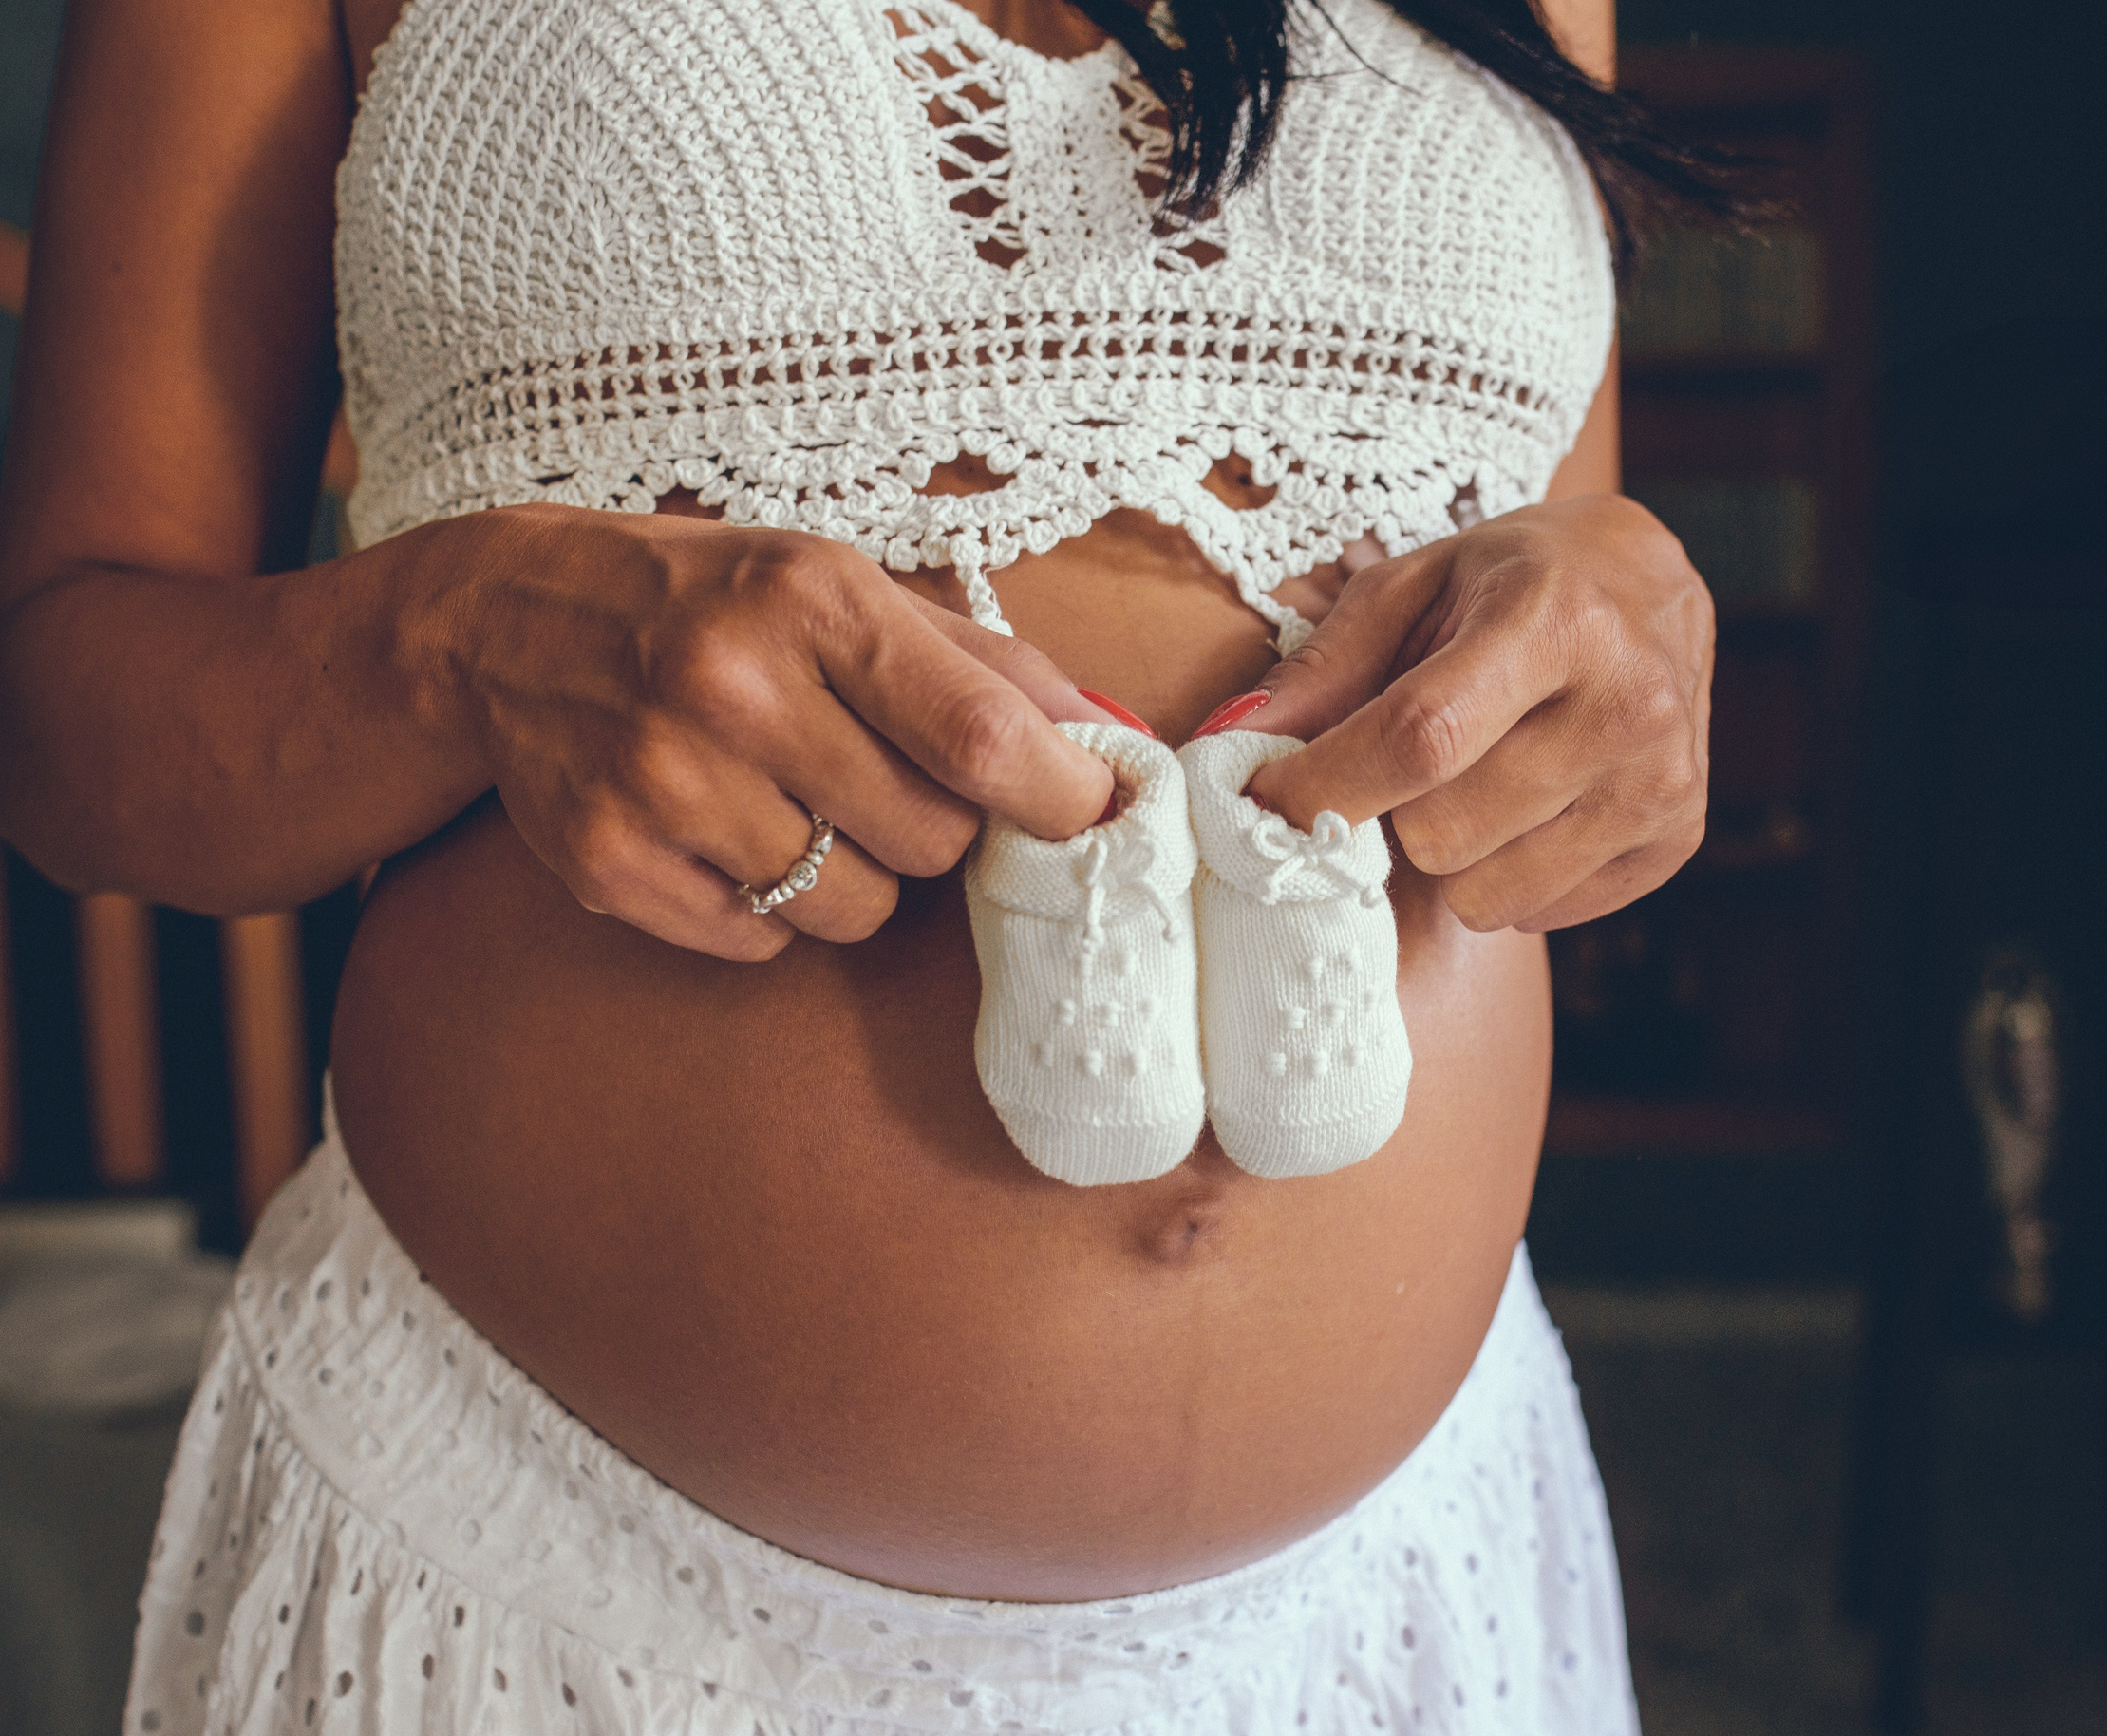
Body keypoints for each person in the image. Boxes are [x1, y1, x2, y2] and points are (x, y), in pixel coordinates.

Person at [0, 0, 1719, 1725]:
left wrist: (1633, 616)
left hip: (1386, 1601)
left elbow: (1554, 556)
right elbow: (61, 714)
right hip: (549, 1593)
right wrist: (455, 637)